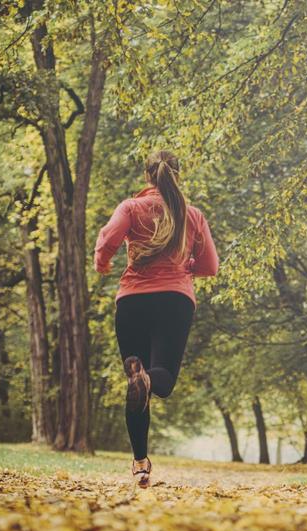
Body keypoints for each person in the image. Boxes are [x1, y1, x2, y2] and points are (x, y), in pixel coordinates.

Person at [94, 150, 219, 487]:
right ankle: (146, 380)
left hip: (132, 302)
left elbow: (107, 239)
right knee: (156, 380)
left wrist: (102, 260)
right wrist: (184, 268)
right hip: (174, 302)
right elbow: (210, 267)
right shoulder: (192, 215)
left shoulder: (131, 208)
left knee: (136, 382)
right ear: (177, 175)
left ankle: (139, 463)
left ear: (147, 176)